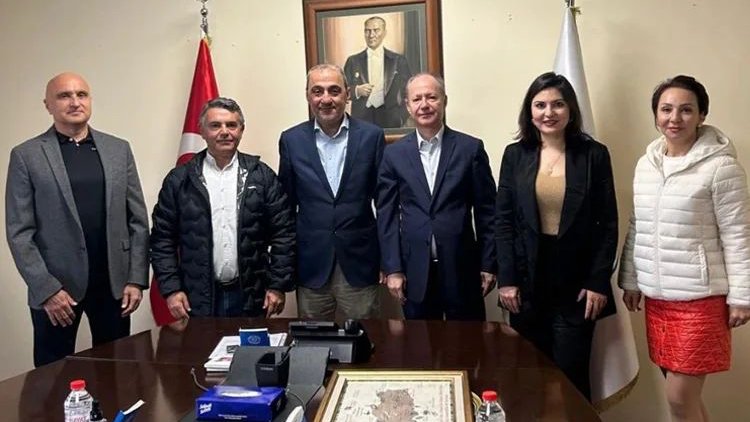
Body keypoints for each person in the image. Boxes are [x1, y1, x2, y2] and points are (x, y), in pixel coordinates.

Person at [618, 75, 750, 421]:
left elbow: (738, 234)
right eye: (666, 109)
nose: (674, 118)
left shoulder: (722, 167)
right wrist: (631, 279)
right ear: (656, 115)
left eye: (686, 110)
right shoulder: (647, 164)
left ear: (702, 115)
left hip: (700, 300)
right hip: (658, 299)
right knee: (686, 401)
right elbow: (638, 225)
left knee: (679, 398)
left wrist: (742, 296)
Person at [5, 72, 149, 367]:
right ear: (48, 105)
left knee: (116, 373)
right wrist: (47, 290)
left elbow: (137, 220)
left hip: (114, 286)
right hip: (57, 290)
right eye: (64, 96)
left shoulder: (118, 149)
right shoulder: (26, 155)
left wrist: (136, 278)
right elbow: (19, 232)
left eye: (81, 94)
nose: (74, 102)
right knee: (52, 378)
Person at [495, 72, 618, 400]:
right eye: (540, 105)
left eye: (557, 104)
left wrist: (598, 281)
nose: (548, 112)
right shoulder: (515, 155)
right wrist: (507, 279)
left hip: (577, 288)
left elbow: (607, 224)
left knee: (570, 378)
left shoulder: (594, 155)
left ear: (571, 109)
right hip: (525, 284)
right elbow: (503, 221)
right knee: (529, 376)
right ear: (530, 111)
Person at [151, 97, 294, 319]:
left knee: (251, 344)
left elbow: (284, 233)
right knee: (202, 344)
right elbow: (162, 239)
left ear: (241, 130)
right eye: (215, 125)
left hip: (251, 296)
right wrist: (171, 290)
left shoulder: (262, 176)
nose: (224, 132)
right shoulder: (180, 179)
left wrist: (277, 285)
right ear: (202, 131)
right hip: (197, 298)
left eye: (231, 125)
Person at [377, 73, 496, 320]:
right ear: (408, 106)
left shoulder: (470, 149)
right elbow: (386, 216)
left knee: (466, 341)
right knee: (420, 342)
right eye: (417, 99)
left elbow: (487, 212)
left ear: (444, 101)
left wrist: (488, 263)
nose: (424, 105)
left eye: (432, 97)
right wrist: (393, 268)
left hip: (462, 268)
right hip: (414, 272)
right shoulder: (394, 155)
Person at [278, 64, 385, 320]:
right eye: (317, 91)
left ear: (347, 94)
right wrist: (285, 266)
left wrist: (388, 261)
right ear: (308, 95)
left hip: (360, 263)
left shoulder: (371, 136)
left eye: (334, 91)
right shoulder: (291, 140)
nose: (326, 99)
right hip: (311, 265)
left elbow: (384, 203)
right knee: (313, 341)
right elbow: (285, 209)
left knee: (366, 338)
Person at [343, 16, 412, 128]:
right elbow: (341, 91)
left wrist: (400, 117)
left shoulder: (398, 61)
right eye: (367, 31)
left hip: (391, 120)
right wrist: (357, 90)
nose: (371, 35)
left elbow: (409, 91)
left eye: (376, 30)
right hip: (361, 119)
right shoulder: (353, 61)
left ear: (384, 33)